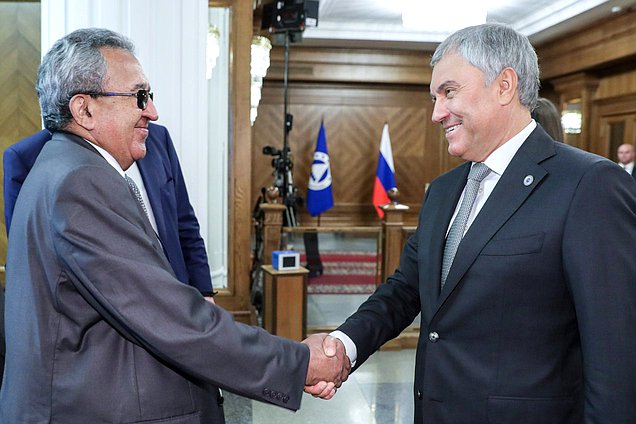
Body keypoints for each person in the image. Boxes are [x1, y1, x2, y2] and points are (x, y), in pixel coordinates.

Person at [0, 28, 348, 423]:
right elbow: (169, 316)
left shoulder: (62, 167)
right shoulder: (82, 181)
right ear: (84, 110)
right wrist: (298, 363)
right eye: (139, 96)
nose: (152, 111)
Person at [317, 23, 636, 422]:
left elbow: (616, 352)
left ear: (504, 85)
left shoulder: (589, 184)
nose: (436, 113)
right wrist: (343, 345)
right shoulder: (443, 191)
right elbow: (405, 290)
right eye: (434, 97)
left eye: (448, 92)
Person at [4, 124, 216, 298]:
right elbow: (27, 254)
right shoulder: (27, 157)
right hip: (104, 313)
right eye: (138, 96)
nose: (150, 110)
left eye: (146, 95)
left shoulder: (157, 137)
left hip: (177, 294)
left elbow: (184, 222)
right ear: (83, 105)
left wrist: (204, 292)